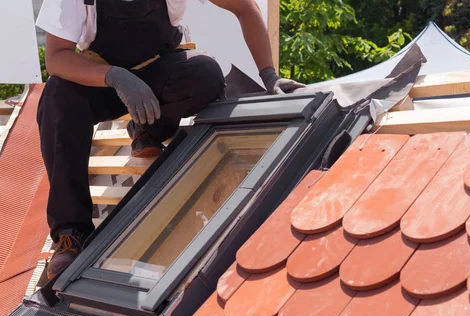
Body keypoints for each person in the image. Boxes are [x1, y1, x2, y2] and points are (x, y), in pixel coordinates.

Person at [36, 0, 305, 279]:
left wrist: (270, 76)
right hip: (100, 77)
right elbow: (56, 57)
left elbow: (245, 8)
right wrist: (114, 76)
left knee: (206, 75)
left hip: (159, 70)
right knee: (56, 98)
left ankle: (149, 127)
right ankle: (70, 232)